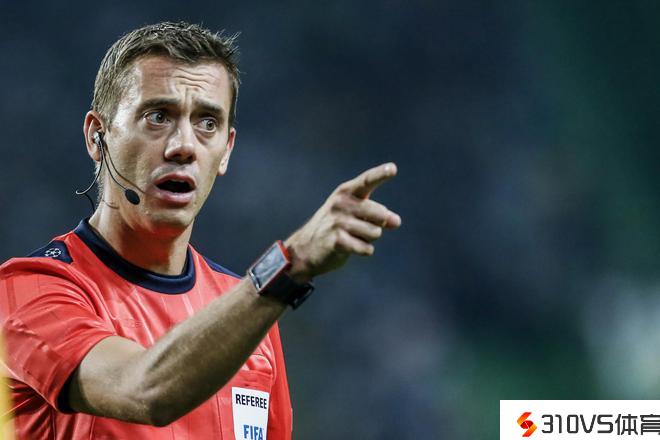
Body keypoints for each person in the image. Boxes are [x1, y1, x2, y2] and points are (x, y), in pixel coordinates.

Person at [0, 21, 401, 439]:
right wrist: (290, 263)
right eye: (158, 116)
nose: (184, 146)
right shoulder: (27, 291)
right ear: (96, 137)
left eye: (207, 122)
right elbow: (146, 392)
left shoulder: (246, 310)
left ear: (226, 150)